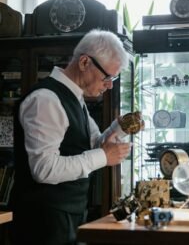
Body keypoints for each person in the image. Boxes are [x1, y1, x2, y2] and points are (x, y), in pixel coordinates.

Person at [10, 29, 132, 245]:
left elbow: (94, 143)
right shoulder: (46, 100)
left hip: (66, 217)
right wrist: (104, 157)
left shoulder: (76, 98)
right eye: (107, 77)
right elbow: (44, 169)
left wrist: (119, 129)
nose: (109, 85)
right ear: (85, 62)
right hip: (43, 225)